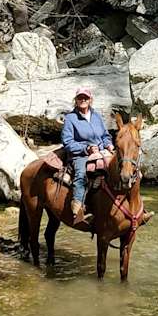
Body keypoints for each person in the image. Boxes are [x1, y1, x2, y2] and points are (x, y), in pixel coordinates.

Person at [60, 87, 112, 224]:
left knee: (122, 169)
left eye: (86, 98)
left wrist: (109, 145)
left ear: (90, 100)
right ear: (76, 100)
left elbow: (105, 136)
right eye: (80, 98)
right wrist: (86, 148)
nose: (83, 100)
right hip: (80, 154)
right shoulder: (70, 118)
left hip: (101, 152)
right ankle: (77, 210)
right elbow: (67, 142)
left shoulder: (96, 116)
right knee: (82, 174)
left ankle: (131, 208)